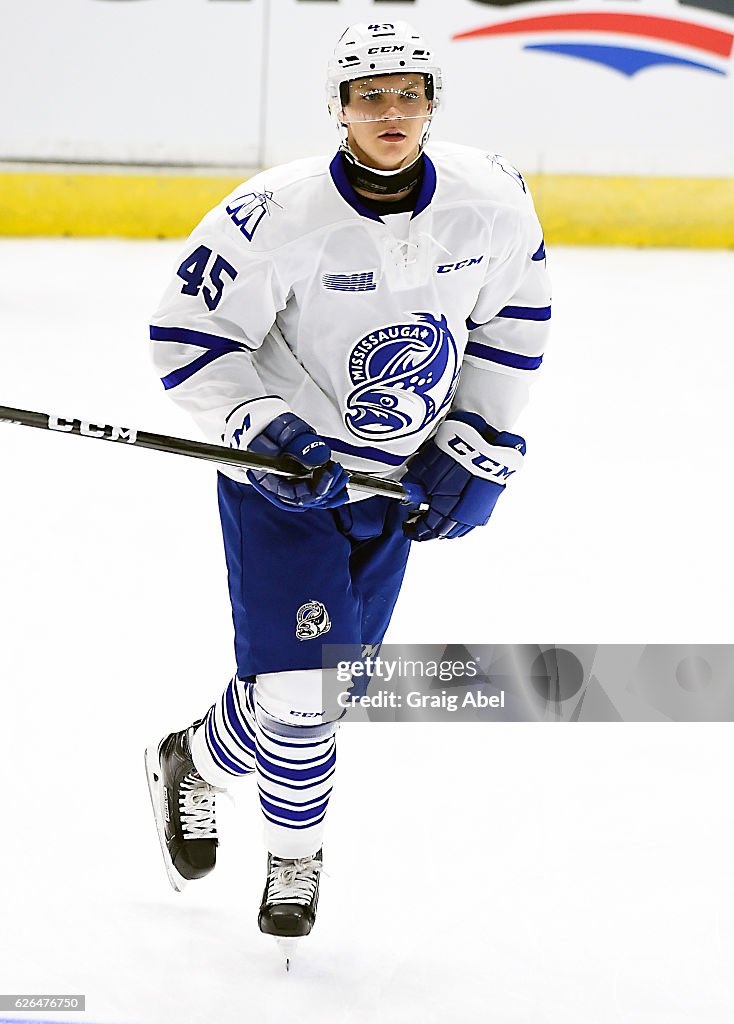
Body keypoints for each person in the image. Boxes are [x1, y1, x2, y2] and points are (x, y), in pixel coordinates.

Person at [144, 20, 551, 961]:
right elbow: (187, 337)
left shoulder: (490, 198)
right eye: (370, 95)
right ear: (337, 109)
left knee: (329, 688)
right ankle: (295, 864)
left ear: (432, 101)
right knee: (299, 697)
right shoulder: (271, 214)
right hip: (284, 482)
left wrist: (481, 442)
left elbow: (514, 321)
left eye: (408, 92)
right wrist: (260, 426)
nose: (392, 112)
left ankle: (192, 758)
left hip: (394, 476)